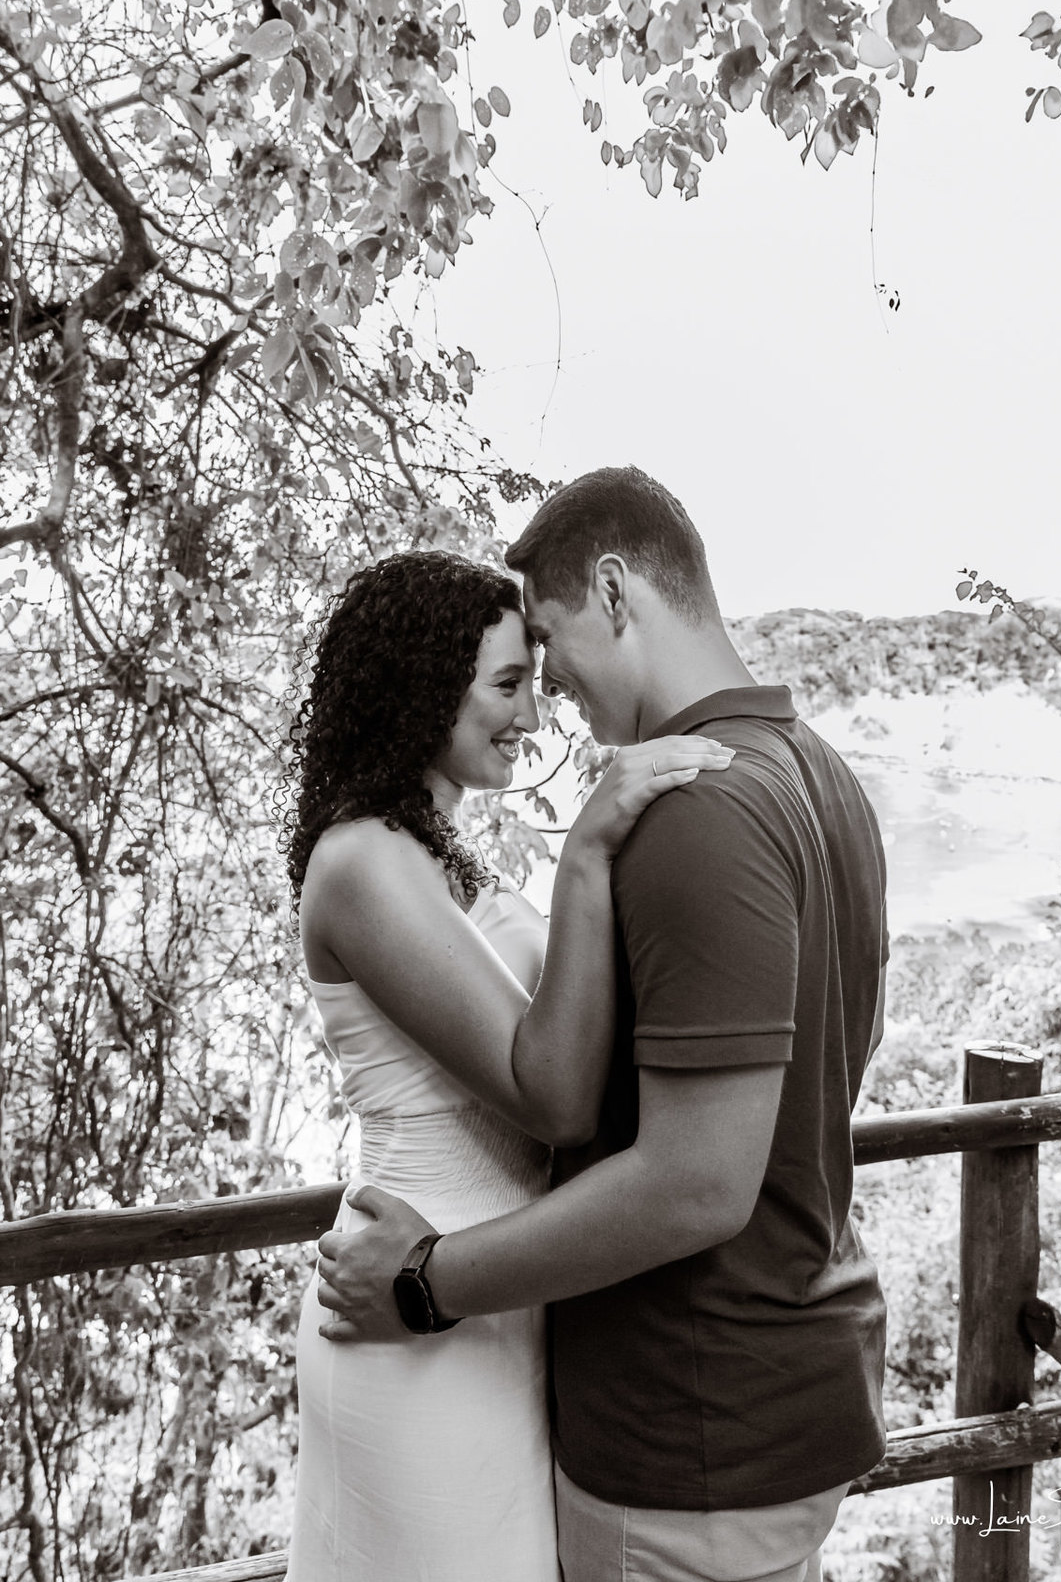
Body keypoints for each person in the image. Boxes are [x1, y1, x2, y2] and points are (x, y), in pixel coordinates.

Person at [318, 469, 890, 1582]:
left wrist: (430, 1279)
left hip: (690, 1423)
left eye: (548, 646)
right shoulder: (821, 777)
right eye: (511, 676)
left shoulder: (692, 809)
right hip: (775, 1388)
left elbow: (694, 1181)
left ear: (616, 592)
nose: (549, 700)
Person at [282, 547, 730, 1580]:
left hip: (489, 1298)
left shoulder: (435, 846)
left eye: (536, 680)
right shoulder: (359, 862)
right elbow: (553, 1095)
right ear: (419, 686)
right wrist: (586, 855)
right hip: (408, 1318)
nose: (533, 718)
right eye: (507, 684)